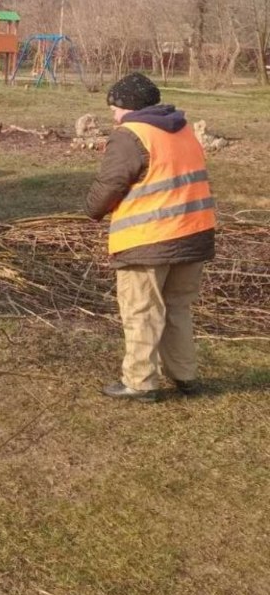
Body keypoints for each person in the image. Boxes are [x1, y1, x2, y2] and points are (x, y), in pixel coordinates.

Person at [85, 72, 216, 402]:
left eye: (114, 108)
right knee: (178, 309)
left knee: (142, 311)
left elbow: (111, 184)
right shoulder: (183, 128)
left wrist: (91, 210)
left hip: (149, 239)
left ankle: (140, 382)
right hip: (194, 233)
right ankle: (185, 375)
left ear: (128, 107)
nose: (112, 116)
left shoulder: (130, 135)